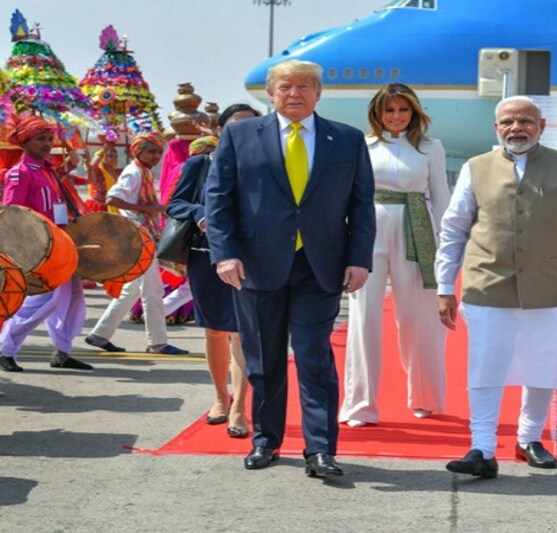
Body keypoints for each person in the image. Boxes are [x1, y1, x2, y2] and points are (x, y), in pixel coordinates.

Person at [205, 60, 376, 477]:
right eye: (285, 87)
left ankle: (320, 449)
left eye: (304, 86)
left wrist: (359, 258)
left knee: (315, 357)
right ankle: (266, 440)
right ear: (270, 93)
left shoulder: (347, 139)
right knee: (263, 360)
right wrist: (224, 253)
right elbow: (219, 197)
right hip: (255, 267)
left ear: (319, 93)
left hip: (321, 267)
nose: (295, 94)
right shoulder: (239, 135)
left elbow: (360, 205)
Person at [435, 96, 557, 478]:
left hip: (550, 287)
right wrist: (443, 285)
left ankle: (529, 438)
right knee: (485, 367)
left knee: (541, 366)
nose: (516, 128)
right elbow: (453, 229)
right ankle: (482, 449)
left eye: (525, 121)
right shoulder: (476, 168)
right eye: (508, 122)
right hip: (488, 284)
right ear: (496, 128)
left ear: (541, 126)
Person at [340, 83, 449, 427]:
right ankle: (360, 405)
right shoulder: (362, 145)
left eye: (403, 110)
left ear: (415, 112)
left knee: (418, 319)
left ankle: (424, 397)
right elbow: (348, 196)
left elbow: (441, 197)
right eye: (390, 110)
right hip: (368, 232)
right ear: (377, 113)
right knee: (364, 317)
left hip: (417, 231)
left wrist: (448, 247)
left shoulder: (431, 148)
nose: (397, 116)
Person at [167, 118, 257, 438]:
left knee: (242, 332)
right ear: (220, 131)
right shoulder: (201, 163)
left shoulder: (269, 163)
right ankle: (220, 397)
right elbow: (175, 203)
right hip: (205, 256)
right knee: (216, 331)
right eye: (234, 126)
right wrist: (200, 213)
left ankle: (239, 407)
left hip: (252, 257)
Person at [0, 115, 93, 372]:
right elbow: (11, 214)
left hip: (60, 244)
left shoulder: (47, 170)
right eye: (41, 139)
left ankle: (62, 351)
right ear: (26, 142)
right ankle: (5, 348)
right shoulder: (20, 173)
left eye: (49, 138)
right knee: (45, 299)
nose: (47, 143)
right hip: (39, 249)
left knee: (73, 295)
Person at [84, 133, 189, 356]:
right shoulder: (133, 172)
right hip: (138, 237)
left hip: (142, 236)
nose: (156, 156)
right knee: (153, 291)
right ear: (137, 151)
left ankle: (100, 335)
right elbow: (112, 198)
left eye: (159, 152)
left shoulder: (144, 171)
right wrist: (148, 209)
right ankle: (158, 343)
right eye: (151, 151)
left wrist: (153, 208)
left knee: (132, 290)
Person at [83, 144, 120, 214]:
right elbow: (92, 166)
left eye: (116, 156)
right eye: (110, 156)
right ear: (104, 157)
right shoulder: (100, 171)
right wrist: (103, 150)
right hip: (98, 206)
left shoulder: (116, 172)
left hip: (111, 205)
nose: (114, 158)